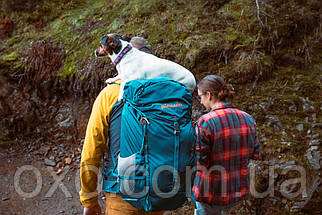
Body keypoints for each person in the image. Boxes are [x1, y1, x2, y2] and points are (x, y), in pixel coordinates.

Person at [79, 37, 164, 215]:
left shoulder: (111, 93)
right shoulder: (165, 94)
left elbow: (92, 150)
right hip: (159, 192)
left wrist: (89, 199)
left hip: (121, 193)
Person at [192, 75, 260, 215]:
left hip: (211, 192)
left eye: (200, 97)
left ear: (209, 95)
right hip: (236, 189)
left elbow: (200, 163)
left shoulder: (205, 122)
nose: (201, 101)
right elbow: (255, 153)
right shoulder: (248, 118)